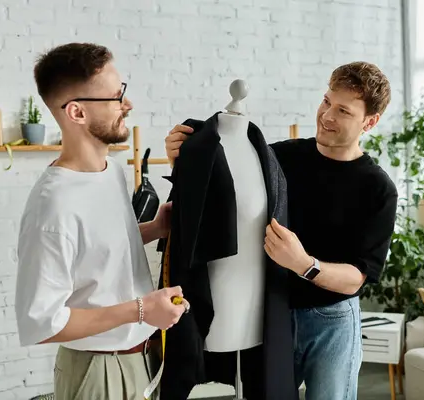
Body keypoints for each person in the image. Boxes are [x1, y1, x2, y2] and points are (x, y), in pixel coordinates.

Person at [164, 61, 398, 400]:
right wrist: (182, 161)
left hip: (332, 321)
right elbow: (223, 196)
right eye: (326, 101)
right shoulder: (279, 157)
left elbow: (357, 276)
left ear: (370, 122)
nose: (327, 115)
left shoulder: (379, 188)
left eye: (343, 111)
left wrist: (304, 263)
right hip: (273, 311)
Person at [14, 42, 189, 400]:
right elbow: (42, 322)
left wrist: (153, 229)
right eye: (114, 97)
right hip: (99, 373)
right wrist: (142, 310)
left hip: (140, 360)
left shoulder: (109, 171)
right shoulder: (54, 205)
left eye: (122, 91)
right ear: (76, 113)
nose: (127, 104)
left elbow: (92, 253)